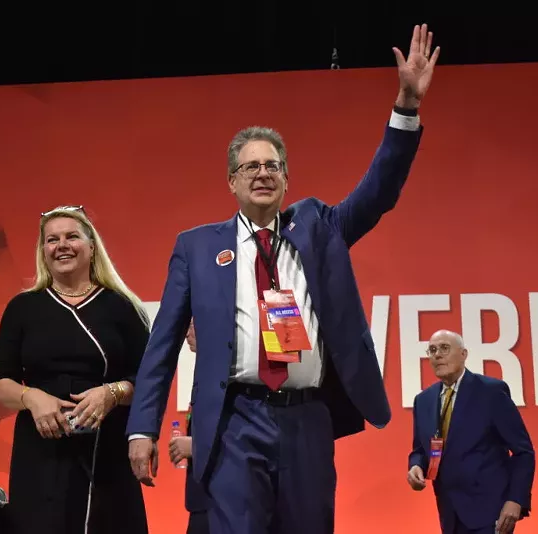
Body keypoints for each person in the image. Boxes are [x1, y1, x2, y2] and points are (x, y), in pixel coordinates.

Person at [127, 24, 440, 534]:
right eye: (249, 167)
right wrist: (142, 427)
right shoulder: (198, 247)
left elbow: (378, 192)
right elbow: (161, 347)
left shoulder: (318, 226)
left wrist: (406, 107)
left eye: (272, 165)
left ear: (287, 179)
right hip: (234, 419)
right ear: (231, 181)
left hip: (307, 420)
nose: (262, 173)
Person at [0, 206, 150, 534]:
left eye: (72, 236)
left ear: (92, 248)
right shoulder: (23, 308)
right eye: (52, 240)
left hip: (107, 451)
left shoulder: (121, 307)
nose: (62, 245)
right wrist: (31, 397)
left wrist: (112, 393)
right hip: (42, 451)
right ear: (43, 253)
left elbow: (149, 380)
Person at [407, 330, 535, 534]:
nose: (437, 354)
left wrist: (516, 500)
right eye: (432, 350)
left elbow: (523, 452)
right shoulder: (423, 400)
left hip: (491, 512)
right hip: (449, 515)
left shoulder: (491, 392)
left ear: (464, 354)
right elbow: (421, 449)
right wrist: (415, 466)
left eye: (444, 348)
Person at [168, 320, 211, 534]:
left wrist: (196, 447)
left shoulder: (232, 378)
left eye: (194, 324)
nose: (187, 332)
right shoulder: (203, 372)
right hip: (200, 499)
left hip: (221, 502)